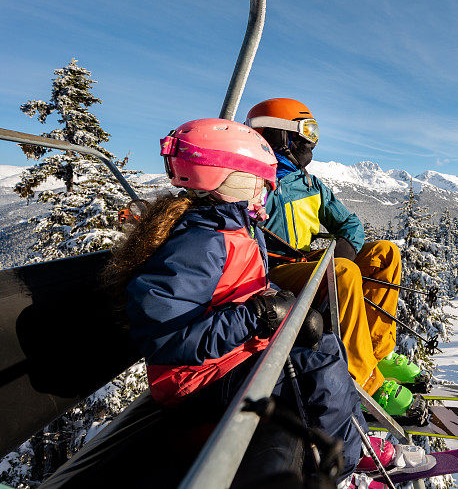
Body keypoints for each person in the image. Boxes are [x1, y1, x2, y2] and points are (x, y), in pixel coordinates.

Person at [102, 118, 368, 486]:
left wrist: (276, 306)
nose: (264, 192)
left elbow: (236, 288)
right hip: (196, 381)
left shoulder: (230, 228)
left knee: (319, 347)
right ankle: (330, 466)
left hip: (225, 359)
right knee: (319, 362)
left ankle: (340, 449)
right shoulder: (199, 244)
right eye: (260, 182)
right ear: (233, 179)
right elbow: (163, 337)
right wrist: (255, 317)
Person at [245, 98, 425, 416]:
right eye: (305, 132)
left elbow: (350, 224)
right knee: (342, 272)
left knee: (385, 253)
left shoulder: (310, 185)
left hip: (312, 266)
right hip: (276, 275)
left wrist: (346, 246)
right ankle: (364, 382)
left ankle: (374, 351)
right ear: (277, 134)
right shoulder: (253, 183)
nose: (310, 141)